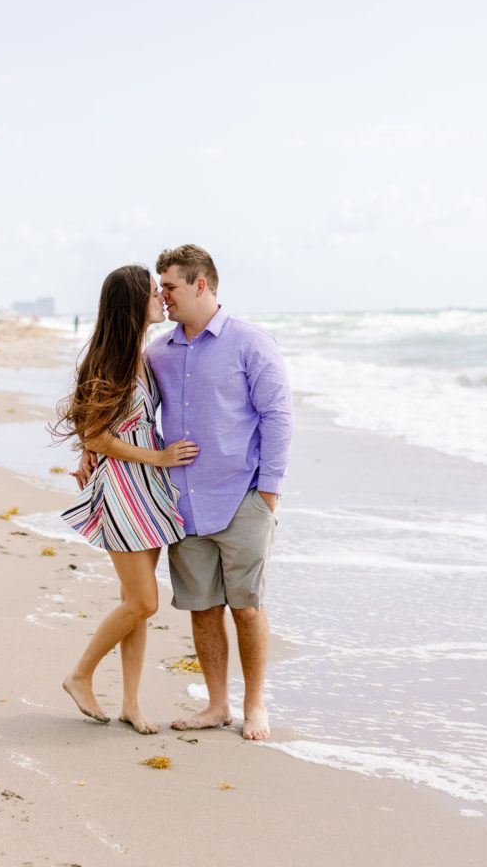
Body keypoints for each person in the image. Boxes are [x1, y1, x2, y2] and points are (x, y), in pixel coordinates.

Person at [78, 245, 293, 741]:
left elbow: (278, 417)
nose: (163, 295)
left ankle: (254, 705)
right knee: (202, 608)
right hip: (180, 501)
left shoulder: (251, 343)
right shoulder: (156, 354)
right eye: (159, 288)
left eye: (170, 286)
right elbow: (108, 410)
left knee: (247, 606)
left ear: (201, 285)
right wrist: (88, 451)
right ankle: (216, 706)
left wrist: (270, 491)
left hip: (243, 496)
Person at [54, 265, 199, 734]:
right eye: (153, 292)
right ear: (133, 302)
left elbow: (97, 430)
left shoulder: (141, 355)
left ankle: (131, 703)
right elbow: (98, 433)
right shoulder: (112, 359)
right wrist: (157, 457)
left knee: (133, 603)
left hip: (148, 490)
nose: (161, 297)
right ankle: (79, 674)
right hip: (124, 487)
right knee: (144, 602)